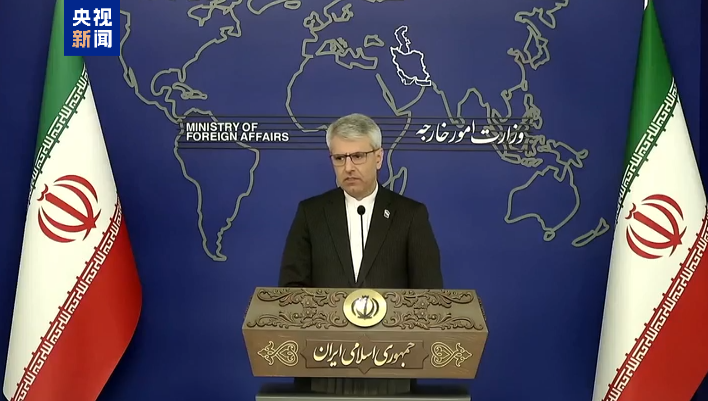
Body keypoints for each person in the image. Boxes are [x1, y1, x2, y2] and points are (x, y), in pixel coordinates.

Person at [278, 112, 444, 290]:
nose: (348, 168)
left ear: (378, 158)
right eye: (339, 158)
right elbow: (291, 290)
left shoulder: (411, 215)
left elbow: (429, 292)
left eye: (358, 156)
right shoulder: (310, 214)